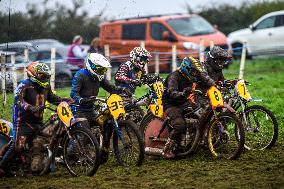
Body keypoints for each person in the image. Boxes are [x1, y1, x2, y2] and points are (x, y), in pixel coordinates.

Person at [0, 62, 68, 176]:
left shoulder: (46, 86)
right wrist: (29, 107)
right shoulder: (24, 85)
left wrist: (64, 101)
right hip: (22, 121)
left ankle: (34, 165)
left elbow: (52, 98)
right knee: (18, 145)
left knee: (40, 142)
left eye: (47, 76)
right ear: (34, 74)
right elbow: (19, 100)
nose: (45, 78)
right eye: (42, 75)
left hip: (38, 121)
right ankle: (2, 166)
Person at [70, 53, 130, 163]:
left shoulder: (99, 77)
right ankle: (72, 153)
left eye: (103, 70)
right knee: (86, 132)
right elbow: (73, 94)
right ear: (91, 66)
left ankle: (102, 151)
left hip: (91, 109)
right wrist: (81, 99)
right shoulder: (80, 75)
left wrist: (122, 90)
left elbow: (111, 88)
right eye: (100, 69)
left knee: (105, 124)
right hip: (78, 109)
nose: (102, 72)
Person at [162, 56, 216, 159]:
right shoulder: (174, 76)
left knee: (201, 114)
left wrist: (214, 85)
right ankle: (167, 149)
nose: (195, 74)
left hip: (184, 102)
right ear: (186, 68)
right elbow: (172, 93)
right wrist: (183, 94)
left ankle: (195, 140)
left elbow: (204, 78)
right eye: (194, 72)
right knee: (179, 125)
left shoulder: (190, 76)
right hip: (171, 104)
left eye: (196, 72)